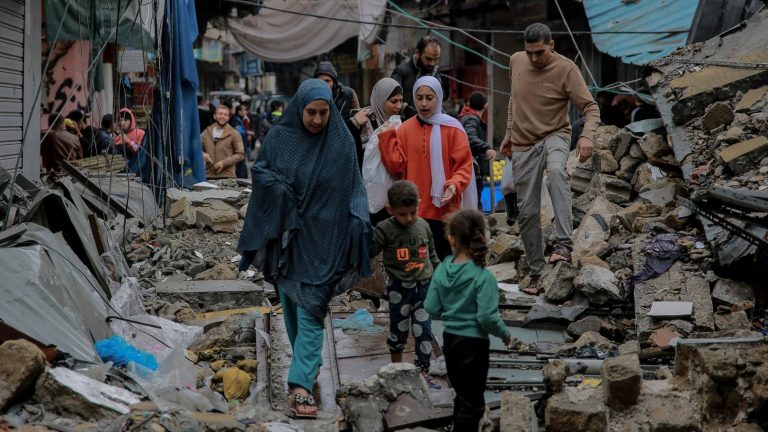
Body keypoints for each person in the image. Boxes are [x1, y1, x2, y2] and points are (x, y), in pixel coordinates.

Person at [237, 79, 371, 419]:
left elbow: (354, 184)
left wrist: (358, 218)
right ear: (299, 108)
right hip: (288, 239)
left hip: (326, 239)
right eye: (311, 112)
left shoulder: (339, 140)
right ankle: (307, 363)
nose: (317, 119)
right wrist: (279, 188)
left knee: (312, 307)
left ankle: (299, 384)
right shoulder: (281, 138)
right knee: (293, 308)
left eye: (324, 112)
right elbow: (262, 171)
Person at [500, 23, 599, 295]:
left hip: (555, 134)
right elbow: (514, 99)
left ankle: (564, 245)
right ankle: (537, 272)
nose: (534, 58)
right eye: (529, 52)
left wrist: (587, 136)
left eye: (540, 52)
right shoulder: (516, 61)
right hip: (522, 142)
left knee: (557, 172)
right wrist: (508, 132)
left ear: (551, 45)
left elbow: (590, 107)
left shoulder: (566, 68)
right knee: (528, 211)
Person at [424, 209, 514, 432]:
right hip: (474, 345)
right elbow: (487, 317)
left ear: (451, 239)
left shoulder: (443, 267)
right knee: (472, 401)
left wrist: (452, 307)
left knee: (462, 395)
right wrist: (505, 334)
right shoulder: (483, 277)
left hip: (451, 341)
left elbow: (431, 307)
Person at [379, 76, 475, 260]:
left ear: (438, 97)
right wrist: (387, 138)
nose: (424, 103)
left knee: (447, 260)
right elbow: (395, 166)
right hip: (415, 212)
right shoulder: (404, 130)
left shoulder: (453, 129)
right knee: (419, 264)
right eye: (419, 97)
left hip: (446, 210)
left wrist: (453, 184)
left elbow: (464, 165)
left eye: (429, 98)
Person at [370, 180, 441, 389]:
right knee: (398, 331)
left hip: (424, 289)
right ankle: (396, 370)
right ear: (390, 209)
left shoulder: (424, 225)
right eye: (402, 214)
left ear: (418, 205)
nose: (408, 218)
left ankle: (423, 371)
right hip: (398, 289)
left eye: (412, 212)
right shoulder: (384, 229)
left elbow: (432, 254)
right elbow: (371, 251)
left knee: (424, 330)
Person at [364, 77, 404, 227]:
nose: (398, 106)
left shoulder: (400, 123)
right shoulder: (364, 122)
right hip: (370, 200)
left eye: (401, 101)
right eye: (393, 101)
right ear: (381, 100)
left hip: (394, 198)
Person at [313, 60, 367, 168]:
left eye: (327, 81)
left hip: (346, 148)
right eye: (320, 81)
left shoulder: (348, 94)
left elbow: (357, 118)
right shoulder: (313, 97)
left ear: (334, 81)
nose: (324, 85)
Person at [458, 92, 498, 212]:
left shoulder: (465, 116)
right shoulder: (471, 119)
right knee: (474, 204)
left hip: (468, 166)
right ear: (485, 106)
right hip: (470, 167)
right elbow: (470, 137)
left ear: (469, 104)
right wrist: (486, 147)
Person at [391, 35, 442, 119]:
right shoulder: (402, 72)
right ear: (418, 53)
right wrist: (407, 110)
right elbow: (392, 99)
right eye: (428, 59)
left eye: (436, 59)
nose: (432, 63)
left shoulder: (435, 74)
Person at [200, 104, 245, 179]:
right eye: (220, 114)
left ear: (228, 118)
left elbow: (240, 155)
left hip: (227, 176)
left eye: (225, 114)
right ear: (215, 116)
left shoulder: (234, 134)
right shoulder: (206, 132)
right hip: (208, 175)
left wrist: (223, 163)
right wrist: (203, 154)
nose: (223, 116)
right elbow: (196, 148)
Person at [113, 108, 146, 172]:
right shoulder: (117, 135)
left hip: (135, 170)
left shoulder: (140, 133)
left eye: (125, 120)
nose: (122, 122)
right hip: (118, 169)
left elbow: (141, 153)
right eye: (120, 120)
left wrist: (129, 142)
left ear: (131, 120)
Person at [231, 103, 250, 178]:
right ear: (239, 112)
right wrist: (246, 133)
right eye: (244, 110)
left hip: (242, 146)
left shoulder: (240, 119)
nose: (245, 112)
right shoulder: (235, 120)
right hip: (239, 146)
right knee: (240, 166)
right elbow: (239, 132)